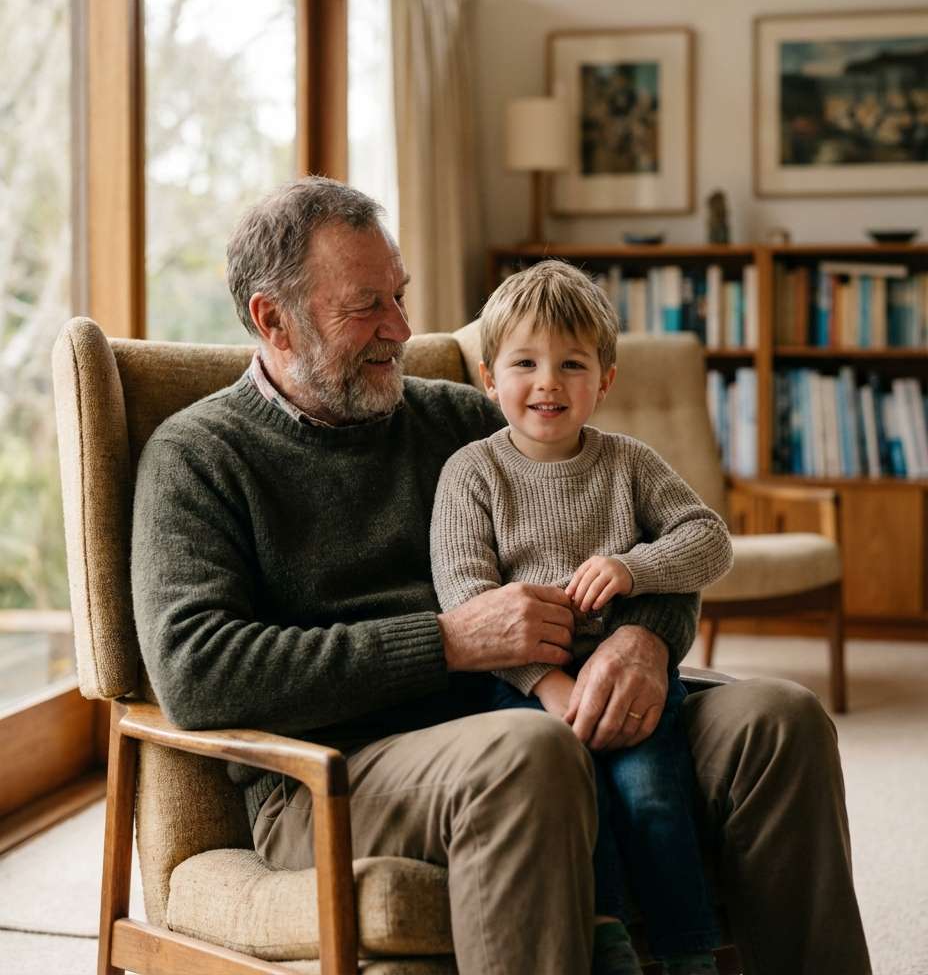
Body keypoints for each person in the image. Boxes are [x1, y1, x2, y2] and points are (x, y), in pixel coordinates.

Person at [131, 175, 871, 975]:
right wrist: (445, 642)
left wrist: (648, 641)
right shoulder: (198, 457)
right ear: (271, 319)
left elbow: (634, 533)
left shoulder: (459, 417)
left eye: (401, 298)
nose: (402, 330)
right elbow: (196, 674)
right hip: (335, 769)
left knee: (781, 720)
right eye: (366, 306)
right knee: (532, 751)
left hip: (532, 699)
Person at [430, 260, 732, 975]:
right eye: (525, 363)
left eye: (572, 364)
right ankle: (608, 940)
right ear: (488, 378)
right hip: (518, 685)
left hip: (627, 678)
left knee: (652, 795)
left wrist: (634, 568)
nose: (548, 383)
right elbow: (465, 597)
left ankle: (691, 953)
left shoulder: (629, 463)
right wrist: (546, 686)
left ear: (605, 380)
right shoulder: (471, 473)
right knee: (579, 798)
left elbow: (709, 540)